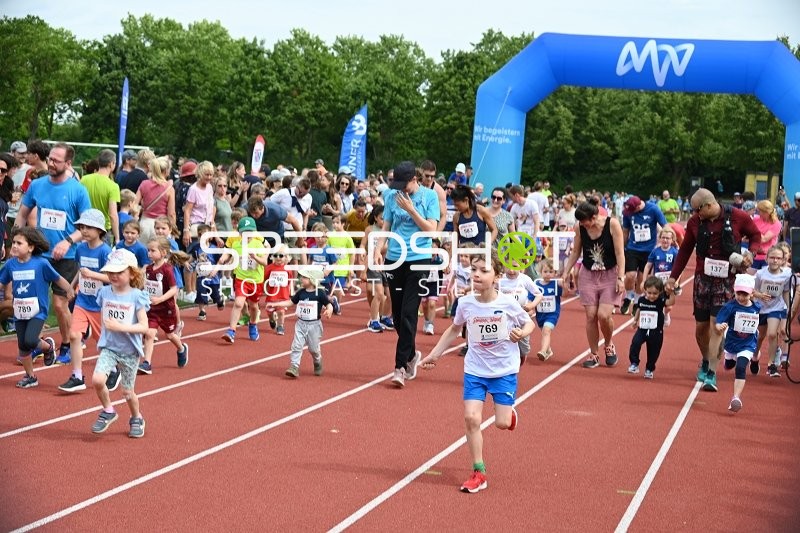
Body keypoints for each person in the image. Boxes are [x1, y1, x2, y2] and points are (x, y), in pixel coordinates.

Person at [420, 250, 533, 493]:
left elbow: (528, 322)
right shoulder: (465, 303)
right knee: (472, 418)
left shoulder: (508, 303)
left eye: (484, 270)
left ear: (497, 277)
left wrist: (522, 333)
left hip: (503, 370)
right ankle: (478, 471)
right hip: (475, 370)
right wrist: (435, 354)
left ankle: (509, 415)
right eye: (474, 270)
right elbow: (453, 329)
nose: (477, 275)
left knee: (502, 424)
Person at [666, 188, 761, 392]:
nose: (695, 214)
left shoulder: (738, 217)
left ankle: (711, 373)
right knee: (701, 330)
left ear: (709, 205)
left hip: (726, 280)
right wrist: (673, 277)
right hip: (702, 279)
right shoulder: (694, 223)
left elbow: (755, 235)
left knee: (716, 325)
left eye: (698, 210)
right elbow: (684, 251)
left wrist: (751, 254)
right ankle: (708, 358)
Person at [14, 142, 91, 363]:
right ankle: (40, 344)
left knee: (59, 304)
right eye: (50, 159)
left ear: (68, 163)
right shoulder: (37, 185)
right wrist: (18, 239)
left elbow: (86, 227)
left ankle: (66, 344)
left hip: (65, 257)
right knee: (32, 303)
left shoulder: (78, 190)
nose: (51, 163)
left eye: (56, 160)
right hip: (38, 255)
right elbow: (22, 214)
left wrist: (68, 241)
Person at [374, 161, 440, 388]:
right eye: (398, 185)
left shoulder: (429, 197)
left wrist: (412, 209)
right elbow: (387, 227)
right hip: (395, 257)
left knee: (410, 312)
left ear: (415, 180)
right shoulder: (392, 196)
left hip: (418, 258)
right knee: (397, 316)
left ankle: (399, 366)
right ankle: (411, 354)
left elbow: (431, 230)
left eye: (405, 185)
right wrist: (377, 249)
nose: (401, 190)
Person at [1, 227, 74, 387]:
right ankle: (30, 376)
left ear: (31, 247)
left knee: (30, 340)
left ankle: (47, 346)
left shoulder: (41, 264)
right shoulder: (10, 265)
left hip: (37, 312)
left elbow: (57, 278)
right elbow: (2, 282)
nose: (14, 245)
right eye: (13, 242)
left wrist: (68, 289)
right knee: (22, 346)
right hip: (19, 311)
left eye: (19, 243)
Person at [89, 248, 150, 437]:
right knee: (97, 380)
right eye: (110, 272)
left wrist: (120, 327)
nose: (113, 276)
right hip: (109, 348)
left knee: (127, 392)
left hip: (129, 351)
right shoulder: (104, 292)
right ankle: (108, 410)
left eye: (119, 272)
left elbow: (144, 327)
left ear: (132, 273)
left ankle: (136, 417)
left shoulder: (137, 296)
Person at [561, 201, 626, 368]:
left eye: (585, 222)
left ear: (595, 217)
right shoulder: (580, 228)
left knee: (604, 315)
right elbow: (576, 251)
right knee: (590, 316)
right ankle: (594, 353)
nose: (583, 225)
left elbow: (620, 253)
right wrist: (566, 271)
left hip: (610, 274)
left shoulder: (612, 225)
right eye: (581, 222)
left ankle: (609, 344)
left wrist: (621, 277)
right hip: (588, 274)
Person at [59, 209, 115, 392]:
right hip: (83, 300)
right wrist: (71, 286)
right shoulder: (81, 248)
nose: (83, 230)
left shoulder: (105, 251)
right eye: (82, 227)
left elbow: (112, 278)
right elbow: (80, 269)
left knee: (102, 343)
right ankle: (77, 376)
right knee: (74, 335)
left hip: (100, 304)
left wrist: (93, 275)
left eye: (88, 227)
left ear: (99, 230)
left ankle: (113, 369)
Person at [214, 217, 270, 343]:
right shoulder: (236, 244)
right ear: (239, 233)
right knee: (239, 303)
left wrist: (255, 257)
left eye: (250, 232)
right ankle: (231, 331)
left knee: (254, 307)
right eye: (244, 233)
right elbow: (227, 255)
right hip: (241, 279)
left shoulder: (258, 244)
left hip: (256, 281)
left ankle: (253, 324)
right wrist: (219, 265)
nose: (247, 235)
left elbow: (265, 262)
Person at [138, 237, 190, 375]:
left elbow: (174, 289)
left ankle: (181, 348)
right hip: (152, 309)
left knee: (170, 335)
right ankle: (147, 363)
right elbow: (147, 286)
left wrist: (160, 299)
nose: (149, 253)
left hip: (166, 309)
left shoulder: (167, 269)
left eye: (152, 251)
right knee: (149, 334)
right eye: (148, 250)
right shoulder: (148, 269)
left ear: (163, 252)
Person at [715, 274, 760, 413]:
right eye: (738, 293)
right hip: (732, 343)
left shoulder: (756, 307)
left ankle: (736, 398)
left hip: (747, 344)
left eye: (744, 294)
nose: (741, 297)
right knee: (729, 365)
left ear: (751, 293)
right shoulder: (730, 307)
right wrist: (719, 326)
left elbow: (760, 321)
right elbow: (718, 322)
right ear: (734, 291)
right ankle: (729, 360)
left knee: (740, 367)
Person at [620, 195, 666, 315]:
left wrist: (669, 240)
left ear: (639, 206)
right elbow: (625, 231)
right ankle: (628, 297)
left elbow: (665, 226)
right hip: (632, 248)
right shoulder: (628, 213)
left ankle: (636, 301)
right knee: (630, 275)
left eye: (632, 210)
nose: (630, 213)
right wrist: (620, 248)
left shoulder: (653, 209)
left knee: (641, 277)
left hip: (648, 250)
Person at [284, 268, 334, 378]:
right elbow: (290, 302)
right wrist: (276, 304)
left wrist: (329, 310)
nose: (301, 279)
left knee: (313, 349)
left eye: (304, 277)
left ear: (312, 279)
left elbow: (328, 304)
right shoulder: (300, 293)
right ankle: (294, 367)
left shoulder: (319, 293)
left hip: (314, 325)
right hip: (301, 324)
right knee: (296, 345)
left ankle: (317, 360)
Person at [752, 245, 792, 378]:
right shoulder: (760, 274)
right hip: (761, 308)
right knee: (760, 337)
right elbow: (752, 292)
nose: (775, 260)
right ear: (767, 259)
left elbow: (786, 291)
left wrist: (789, 307)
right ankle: (755, 356)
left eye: (778, 258)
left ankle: (771, 365)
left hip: (776, 308)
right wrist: (760, 295)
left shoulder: (786, 274)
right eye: (772, 257)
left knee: (772, 334)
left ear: (782, 260)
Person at [627, 276, 675, 379]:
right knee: (635, 343)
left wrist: (672, 293)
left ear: (660, 292)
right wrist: (635, 320)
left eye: (655, 293)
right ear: (645, 291)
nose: (652, 296)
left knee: (654, 350)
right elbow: (639, 309)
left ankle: (649, 368)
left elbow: (671, 302)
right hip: (643, 329)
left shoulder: (661, 300)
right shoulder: (642, 299)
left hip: (656, 331)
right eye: (649, 293)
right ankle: (634, 363)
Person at [80, 149, 121, 244]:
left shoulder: (84, 179)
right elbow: (113, 215)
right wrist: (117, 237)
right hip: (102, 230)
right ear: (111, 164)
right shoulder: (113, 186)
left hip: (85, 227)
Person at [189, 224, 225, 321]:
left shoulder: (214, 248)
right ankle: (202, 311)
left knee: (215, 296)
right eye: (200, 235)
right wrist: (186, 262)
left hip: (213, 277)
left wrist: (216, 271)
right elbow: (191, 258)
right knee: (201, 293)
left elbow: (220, 261)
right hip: (201, 276)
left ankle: (219, 299)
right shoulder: (196, 248)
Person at [136, 156, 176, 244]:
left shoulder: (144, 184)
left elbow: (134, 204)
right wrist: (172, 228)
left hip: (144, 224)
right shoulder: (169, 189)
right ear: (166, 171)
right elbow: (171, 213)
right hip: (161, 226)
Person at [533, 259, 563, 361]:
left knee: (546, 331)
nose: (548, 274)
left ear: (555, 273)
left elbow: (566, 293)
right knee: (544, 332)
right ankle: (548, 350)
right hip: (540, 315)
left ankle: (543, 351)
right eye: (545, 272)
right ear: (540, 272)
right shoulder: (536, 285)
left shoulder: (556, 284)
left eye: (551, 272)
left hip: (552, 314)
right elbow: (531, 298)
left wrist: (564, 284)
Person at [262, 244, 294, 335]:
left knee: (281, 311)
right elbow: (265, 279)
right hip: (272, 295)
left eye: (281, 256)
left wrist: (289, 291)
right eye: (276, 255)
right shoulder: (269, 268)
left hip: (283, 295)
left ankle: (280, 326)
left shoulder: (287, 269)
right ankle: (271, 319)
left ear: (286, 257)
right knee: (269, 312)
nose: (278, 258)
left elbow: (289, 280)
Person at [751, 200, 781, 271]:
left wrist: (753, 231)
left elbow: (763, 239)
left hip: (767, 257)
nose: (758, 213)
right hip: (754, 255)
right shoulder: (756, 219)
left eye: (760, 211)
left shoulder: (776, 224)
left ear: (766, 212)